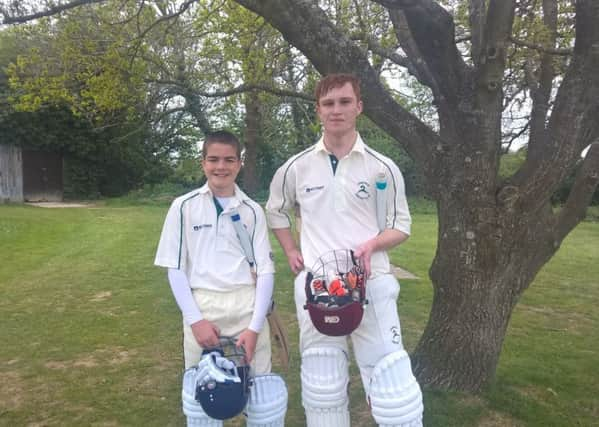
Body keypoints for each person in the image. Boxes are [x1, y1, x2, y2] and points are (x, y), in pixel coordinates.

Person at [266, 74, 423, 427]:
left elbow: (401, 226)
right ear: (318, 111)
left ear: (359, 107)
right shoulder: (296, 166)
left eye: (344, 102)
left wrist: (372, 244)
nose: (336, 110)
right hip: (318, 288)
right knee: (323, 380)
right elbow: (275, 211)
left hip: (372, 283)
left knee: (391, 382)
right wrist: (291, 250)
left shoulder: (383, 167)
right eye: (328, 103)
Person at [155, 130, 287, 427]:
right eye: (213, 159)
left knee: (263, 404)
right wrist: (196, 321)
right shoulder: (183, 206)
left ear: (239, 164)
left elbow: (265, 271)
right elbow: (175, 269)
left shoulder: (253, 210)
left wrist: (254, 329)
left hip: (247, 308)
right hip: (203, 309)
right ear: (202, 163)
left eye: (229, 160)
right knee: (203, 403)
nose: (221, 167)